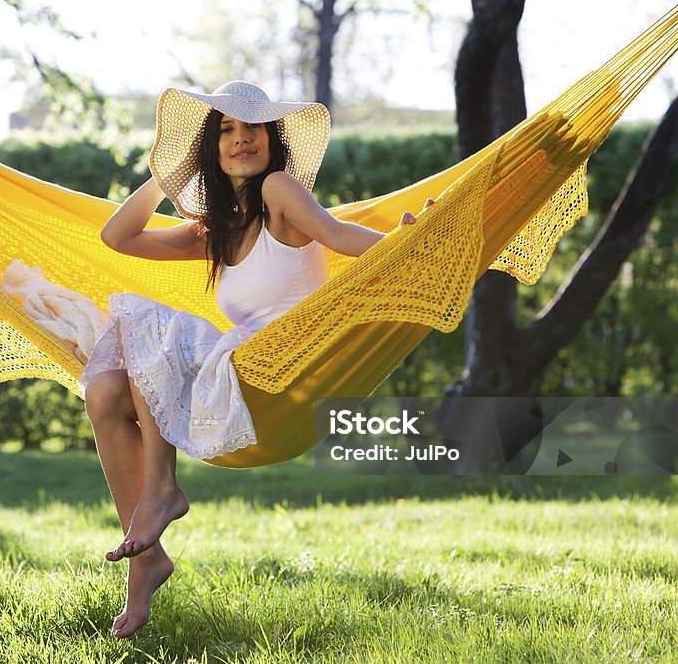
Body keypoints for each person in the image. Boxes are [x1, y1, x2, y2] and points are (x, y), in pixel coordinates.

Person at [73, 81, 427, 638]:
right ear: (208, 150)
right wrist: (171, 175)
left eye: (252, 126)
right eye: (225, 131)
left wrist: (408, 243)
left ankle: (161, 490)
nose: (242, 139)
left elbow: (336, 234)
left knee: (139, 320)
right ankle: (146, 560)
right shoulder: (215, 228)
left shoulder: (280, 190)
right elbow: (118, 237)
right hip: (240, 372)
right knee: (105, 391)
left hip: (283, 366)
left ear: (272, 136)